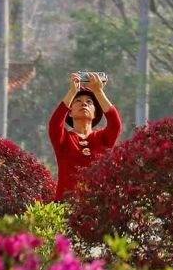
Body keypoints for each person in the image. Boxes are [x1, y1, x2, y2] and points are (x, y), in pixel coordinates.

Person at [48, 71, 121, 200]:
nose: (84, 104)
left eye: (89, 102)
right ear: (69, 112)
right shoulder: (64, 139)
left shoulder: (103, 138)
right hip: (66, 207)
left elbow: (115, 123)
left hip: (97, 206)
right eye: (78, 101)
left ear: (95, 113)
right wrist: (72, 92)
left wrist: (98, 92)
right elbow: (55, 123)